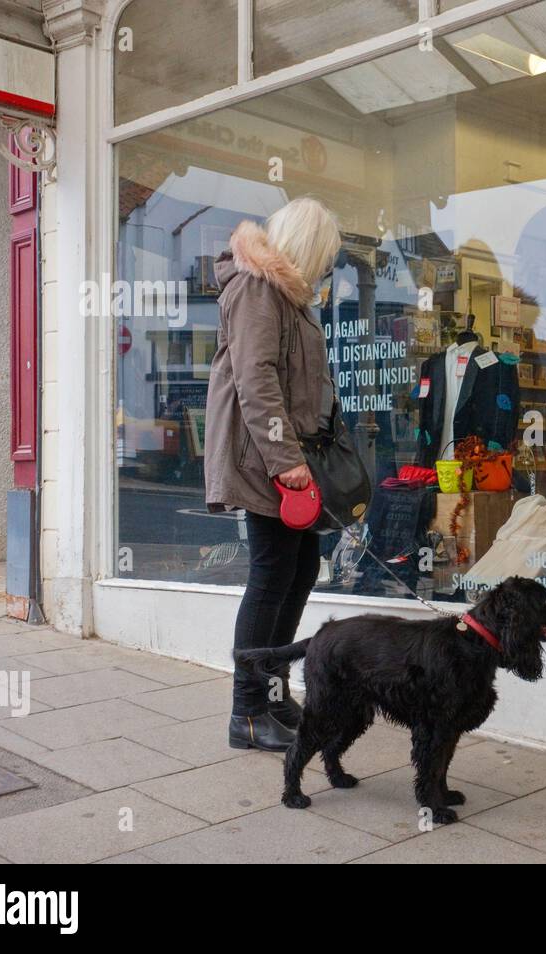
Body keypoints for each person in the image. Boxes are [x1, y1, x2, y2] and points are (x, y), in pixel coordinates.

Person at [204, 197, 342, 752]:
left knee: (300, 568)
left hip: (287, 459)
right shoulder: (258, 287)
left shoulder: (289, 295)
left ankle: (273, 691)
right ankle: (248, 712)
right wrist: (289, 465)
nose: (328, 267)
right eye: (326, 256)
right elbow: (255, 380)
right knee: (270, 577)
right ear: (310, 248)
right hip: (266, 460)